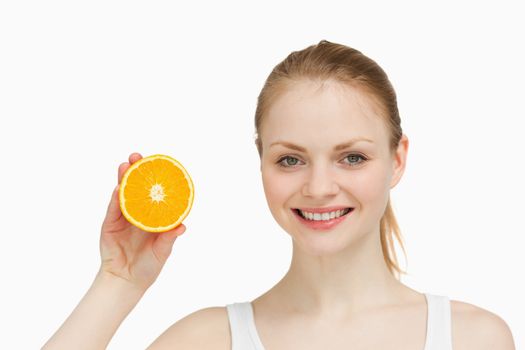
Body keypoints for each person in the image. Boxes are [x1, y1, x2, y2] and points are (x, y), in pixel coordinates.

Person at [43, 40, 515, 350]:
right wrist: (118, 282)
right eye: (291, 159)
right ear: (262, 162)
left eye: (352, 157)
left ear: (397, 160)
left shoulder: (473, 338)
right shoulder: (206, 341)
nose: (319, 187)